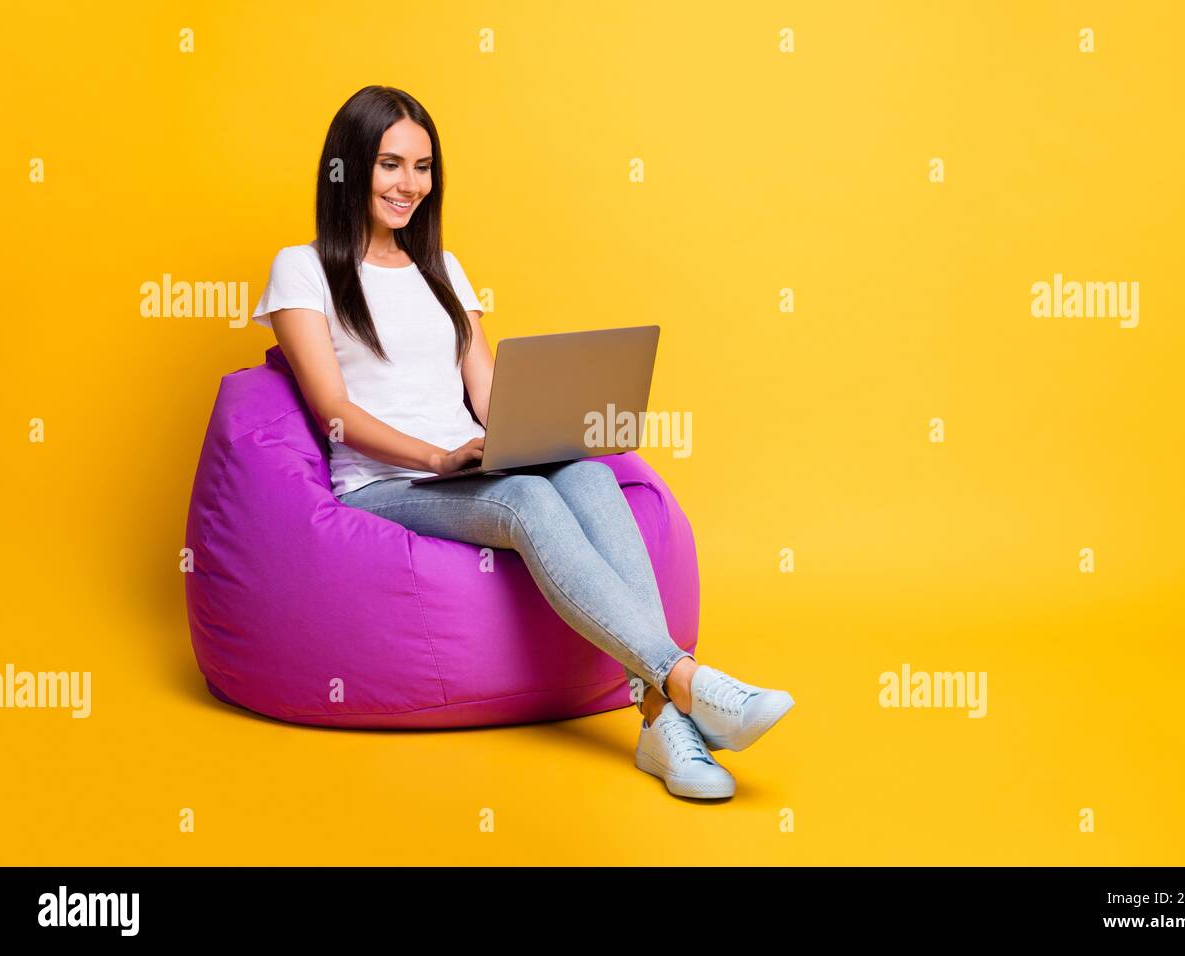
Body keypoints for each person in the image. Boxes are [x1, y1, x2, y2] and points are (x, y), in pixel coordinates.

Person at [249, 85, 794, 799]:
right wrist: (437, 457)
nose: (409, 184)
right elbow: (332, 411)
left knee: (593, 477)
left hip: (468, 467)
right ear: (348, 167)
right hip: (387, 484)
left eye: (422, 166)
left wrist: (535, 427)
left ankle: (664, 723)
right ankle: (687, 680)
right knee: (527, 500)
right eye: (389, 165)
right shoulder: (304, 267)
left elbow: (489, 393)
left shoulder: (442, 268)